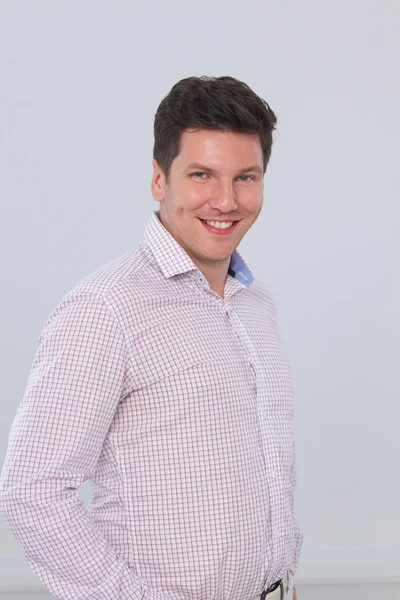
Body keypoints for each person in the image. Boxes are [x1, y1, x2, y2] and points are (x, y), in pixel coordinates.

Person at [0, 75, 303, 600]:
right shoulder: (106, 308)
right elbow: (33, 490)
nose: (226, 200)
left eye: (246, 177)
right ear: (160, 180)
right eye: (202, 174)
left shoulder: (257, 305)